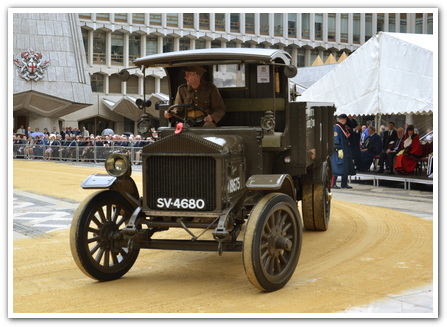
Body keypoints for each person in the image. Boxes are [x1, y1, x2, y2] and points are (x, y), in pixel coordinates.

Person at [330, 114, 355, 189]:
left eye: (344, 119)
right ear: (338, 119)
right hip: (339, 149)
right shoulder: (337, 127)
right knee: (337, 166)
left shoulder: (344, 127)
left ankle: (344, 183)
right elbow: (336, 137)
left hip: (346, 148)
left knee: (346, 166)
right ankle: (333, 184)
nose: (343, 120)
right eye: (341, 119)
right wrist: (338, 147)